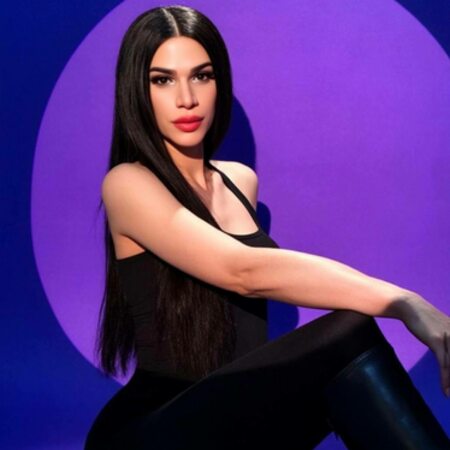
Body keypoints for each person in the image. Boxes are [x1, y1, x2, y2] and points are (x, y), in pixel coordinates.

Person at [84, 5, 450, 450]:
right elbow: (243, 271)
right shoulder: (127, 184)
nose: (187, 98)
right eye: (162, 80)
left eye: (202, 75)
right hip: (155, 428)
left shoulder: (240, 182)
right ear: (136, 91)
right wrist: (405, 303)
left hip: (233, 415)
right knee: (348, 332)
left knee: (347, 345)